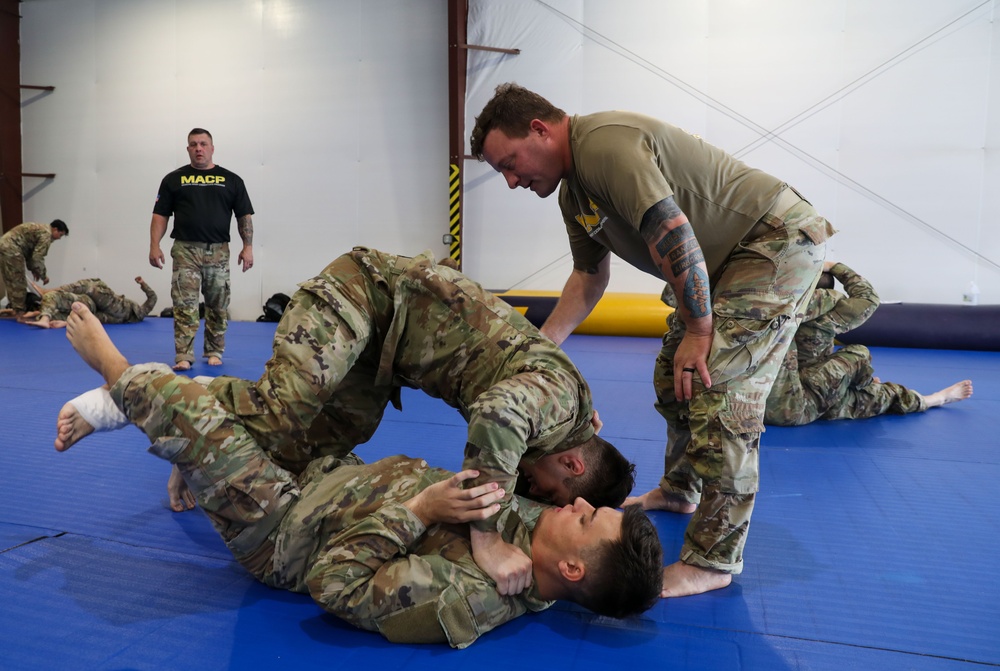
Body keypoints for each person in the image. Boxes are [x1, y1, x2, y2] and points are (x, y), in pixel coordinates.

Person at [52, 301, 664, 647]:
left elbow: (332, 585)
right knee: (298, 395)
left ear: (574, 568)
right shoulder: (533, 529)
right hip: (334, 474)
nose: (576, 505)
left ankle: (113, 371)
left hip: (283, 529)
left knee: (191, 415)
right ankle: (192, 457)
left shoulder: (471, 599)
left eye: (587, 518)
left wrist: (421, 511)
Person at [471, 83, 836, 597]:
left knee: (722, 389)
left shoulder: (604, 145)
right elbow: (588, 278)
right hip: (722, 264)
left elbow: (673, 234)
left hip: (770, 241)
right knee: (672, 376)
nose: (510, 181)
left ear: (540, 129)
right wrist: (540, 349)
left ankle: (714, 559)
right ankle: (681, 489)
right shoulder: (574, 193)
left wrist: (700, 328)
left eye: (509, 162)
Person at [166, 246, 635, 596]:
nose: (529, 489)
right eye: (548, 490)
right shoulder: (562, 405)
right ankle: (190, 399)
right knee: (279, 416)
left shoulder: (567, 418)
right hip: (364, 293)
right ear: (573, 464)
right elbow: (499, 414)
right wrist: (487, 538)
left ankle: (201, 436)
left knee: (317, 443)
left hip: (384, 350)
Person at [764, 261, 972, 426]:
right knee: (860, 356)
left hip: (787, 393)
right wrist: (835, 266)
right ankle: (931, 399)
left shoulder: (772, 305)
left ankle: (932, 399)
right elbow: (868, 297)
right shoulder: (831, 308)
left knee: (867, 397)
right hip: (804, 393)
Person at [148, 128, 254, 371]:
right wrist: (154, 245)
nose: (199, 148)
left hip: (218, 251)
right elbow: (160, 215)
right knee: (185, 304)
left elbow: (244, 216)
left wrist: (247, 247)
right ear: (188, 149)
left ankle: (214, 350)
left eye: (203, 144)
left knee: (218, 304)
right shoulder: (173, 180)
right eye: (194, 144)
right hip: (186, 251)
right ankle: (183, 355)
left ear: (212, 148)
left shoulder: (232, 180)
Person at [20, 276, 157, 329]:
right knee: (83, 313)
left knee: (91, 285)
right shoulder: (135, 317)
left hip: (118, 309)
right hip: (113, 318)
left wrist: (143, 284)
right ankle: (46, 317)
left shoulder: (132, 308)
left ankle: (46, 291)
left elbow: (153, 297)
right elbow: (152, 299)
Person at [0, 220, 69, 317]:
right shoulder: (47, 235)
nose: (59, 238)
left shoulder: (40, 228)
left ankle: (14, 308)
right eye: (60, 235)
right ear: (55, 229)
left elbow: (30, 254)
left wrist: (34, 270)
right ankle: (19, 312)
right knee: (18, 281)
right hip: (12, 248)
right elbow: (37, 258)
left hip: (4, 244)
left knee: (10, 279)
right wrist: (43, 276)